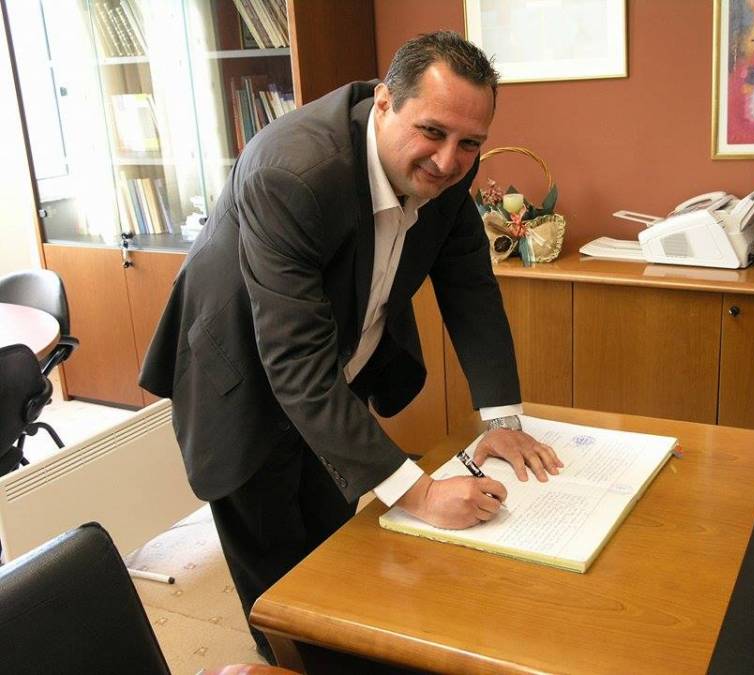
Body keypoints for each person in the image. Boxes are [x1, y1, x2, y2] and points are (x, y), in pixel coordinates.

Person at [139, 31, 562, 668]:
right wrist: (420, 494)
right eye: (432, 132)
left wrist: (500, 420)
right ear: (384, 102)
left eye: (469, 143)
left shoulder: (450, 169)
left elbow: (470, 288)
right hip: (241, 381)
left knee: (341, 558)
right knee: (286, 593)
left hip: (334, 370)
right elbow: (294, 365)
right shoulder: (291, 173)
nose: (448, 161)